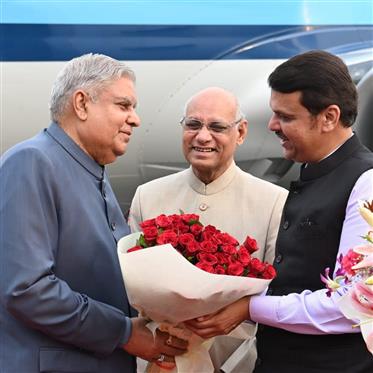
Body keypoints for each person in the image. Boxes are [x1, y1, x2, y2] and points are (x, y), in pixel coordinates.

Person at [186, 50, 373, 372]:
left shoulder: (366, 182)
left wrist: (250, 308)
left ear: (329, 117)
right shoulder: (316, 175)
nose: (272, 125)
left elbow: (352, 303)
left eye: (286, 117)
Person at [0, 53, 187, 373]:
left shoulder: (90, 172)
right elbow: (27, 290)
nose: (136, 119)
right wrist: (125, 333)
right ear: (82, 104)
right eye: (124, 105)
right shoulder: (33, 162)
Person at [129, 86, 288, 372]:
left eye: (217, 127)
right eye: (193, 125)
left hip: (235, 360)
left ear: (240, 133)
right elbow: (134, 292)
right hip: (162, 359)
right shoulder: (148, 195)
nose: (203, 136)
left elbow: (279, 291)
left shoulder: (274, 201)